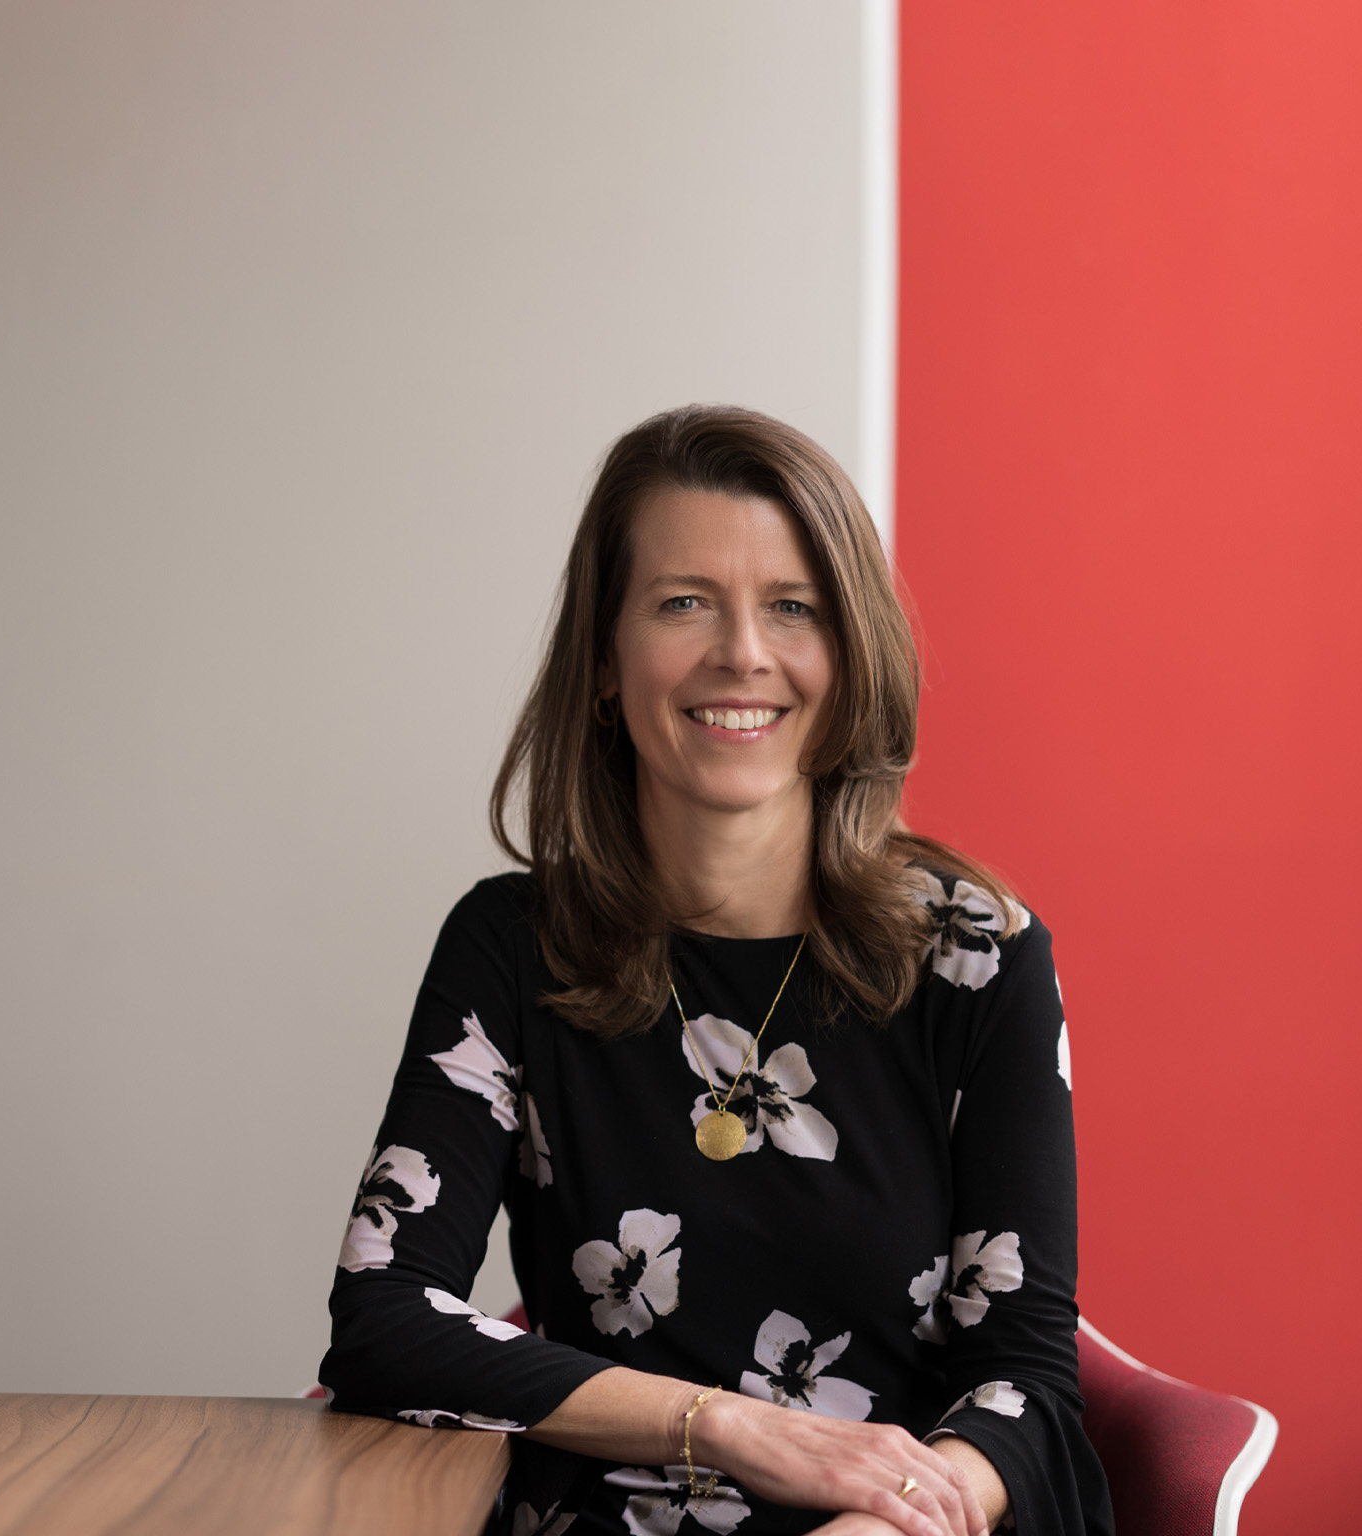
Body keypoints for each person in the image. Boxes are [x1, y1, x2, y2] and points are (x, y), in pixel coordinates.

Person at [320, 406, 1114, 1536]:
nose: (743, 652)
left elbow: (1026, 1380)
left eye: (793, 608)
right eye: (684, 602)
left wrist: (883, 1523)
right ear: (605, 657)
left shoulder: (974, 953)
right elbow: (385, 1318)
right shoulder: (512, 945)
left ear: (848, 657)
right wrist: (732, 1426)